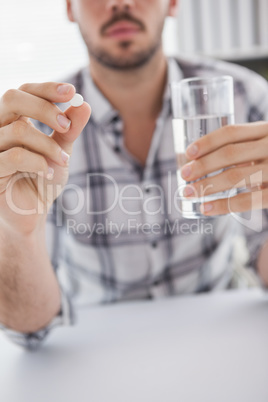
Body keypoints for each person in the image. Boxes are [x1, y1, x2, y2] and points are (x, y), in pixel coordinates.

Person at [1, 0, 268, 350]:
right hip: (95, 344)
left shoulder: (244, 96)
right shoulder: (38, 130)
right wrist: (14, 235)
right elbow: (31, 329)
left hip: (218, 334)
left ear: (172, 3)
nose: (119, 3)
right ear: (70, 8)